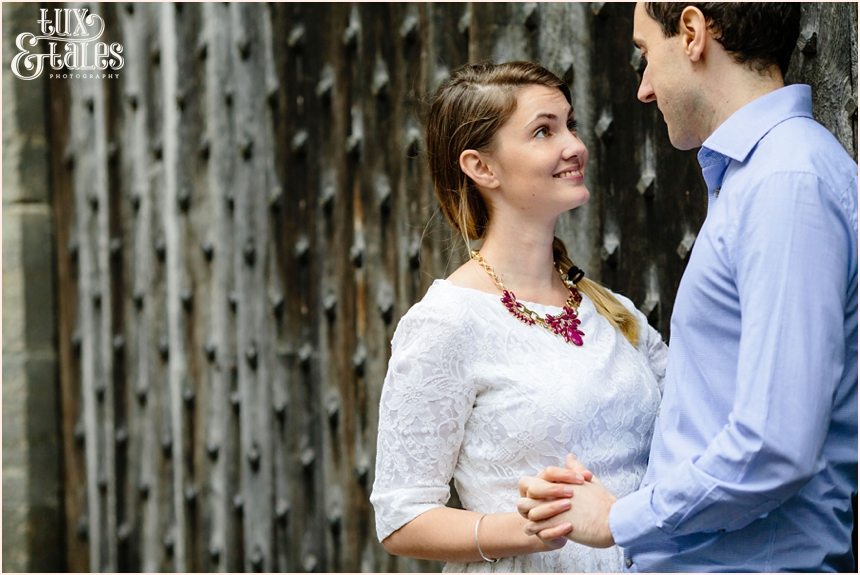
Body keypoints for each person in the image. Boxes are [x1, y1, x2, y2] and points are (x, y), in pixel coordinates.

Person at [517, 3, 858, 572]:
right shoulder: (757, 177)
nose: (644, 88)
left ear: (693, 34)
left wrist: (618, 520)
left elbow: (775, 445)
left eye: (646, 53)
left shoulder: (786, 183)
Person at [369, 61, 668, 572]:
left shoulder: (614, 310)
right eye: (544, 131)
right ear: (482, 168)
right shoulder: (446, 322)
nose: (575, 145)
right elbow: (401, 517)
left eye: (571, 125)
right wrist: (528, 528)